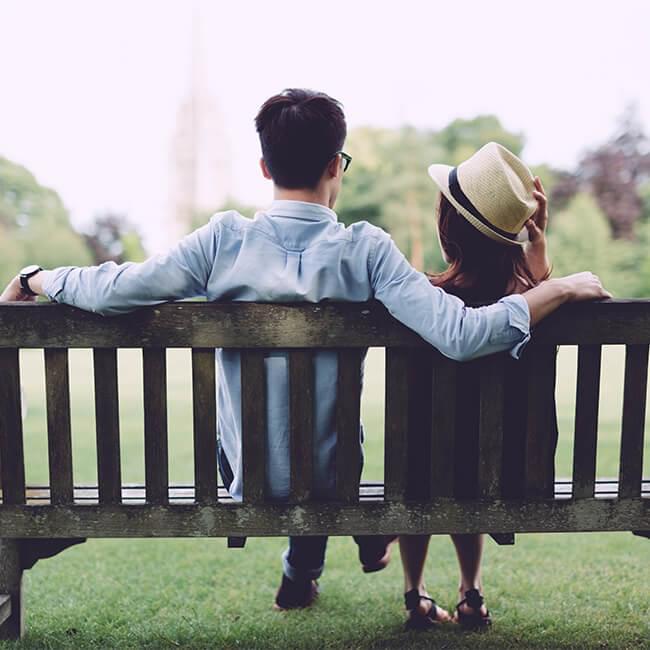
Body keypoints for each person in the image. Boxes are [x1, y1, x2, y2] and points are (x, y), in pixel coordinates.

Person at [0, 90, 610, 611]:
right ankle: (309, 563)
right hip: (334, 480)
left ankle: (300, 569)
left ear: (264, 167)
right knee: (321, 443)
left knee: (268, 435)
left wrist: (36, 278)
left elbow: (116, 289)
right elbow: (462, 334)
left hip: (247, 482)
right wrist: (552, 285)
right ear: (334, 166)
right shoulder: (366, 250)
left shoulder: (222, 242)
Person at [398, 142, 562, 630]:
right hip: (513, 475)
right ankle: (471, 591)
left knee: (425, 457)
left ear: (447, 228)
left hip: (423, 476)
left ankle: (415, 593)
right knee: (466, 458)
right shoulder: (536, 306)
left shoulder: (426, 302)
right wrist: (539, 259)